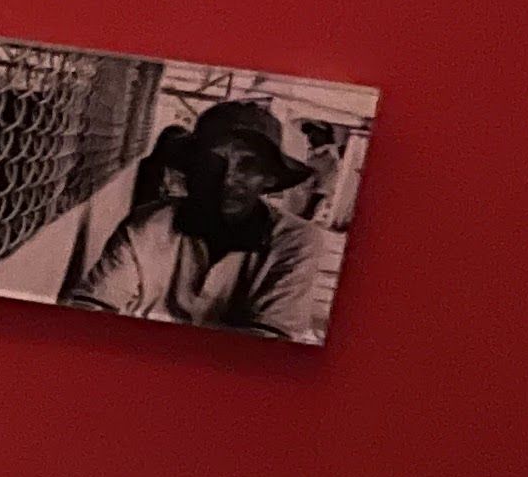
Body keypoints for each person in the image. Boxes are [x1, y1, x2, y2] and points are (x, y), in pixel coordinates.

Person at [63, 100, 342, 345]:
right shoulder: (148, 226)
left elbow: (269, 344)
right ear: (191, 167)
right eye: (212, 161)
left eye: (248, 165)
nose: (228, 178)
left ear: (269, 178)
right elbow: (93, 304)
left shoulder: (296, 241)